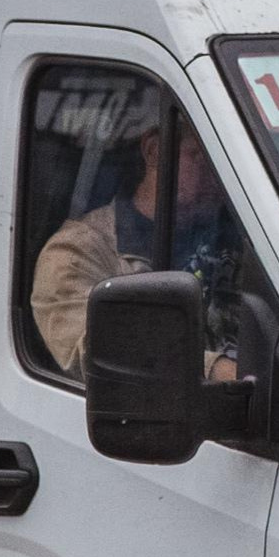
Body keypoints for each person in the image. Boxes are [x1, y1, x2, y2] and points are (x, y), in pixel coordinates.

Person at [30, 126, 230, 374]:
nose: (221, 178)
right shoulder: (78, 251)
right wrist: (215, 370)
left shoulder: (235, 241)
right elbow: (99, 353)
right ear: (155, 151)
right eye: (206, 157)